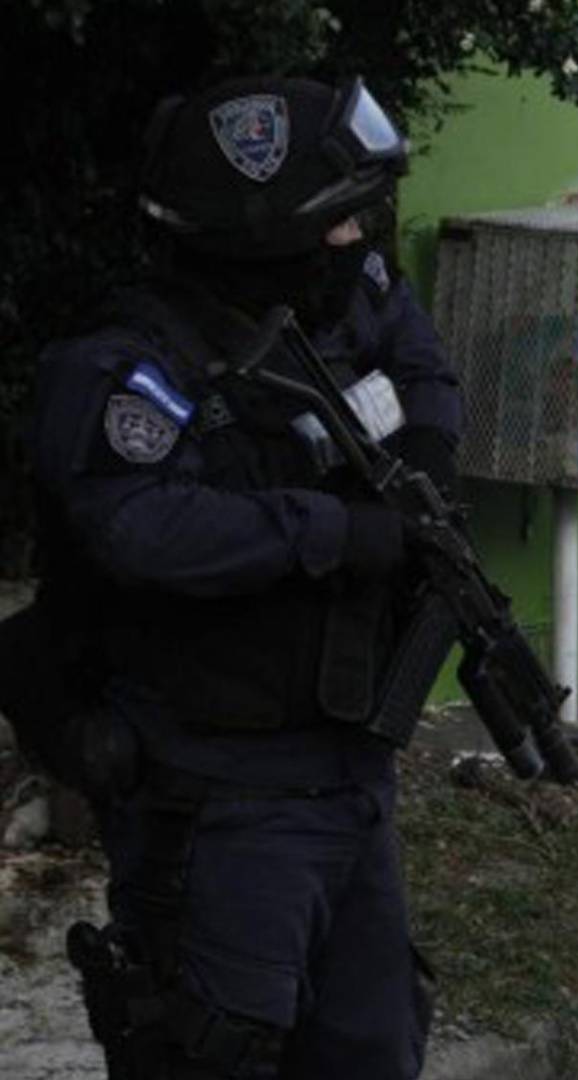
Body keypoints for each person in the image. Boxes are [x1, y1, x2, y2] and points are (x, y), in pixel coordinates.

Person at [31, 77, 452, 1076]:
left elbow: (420, 364)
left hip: (351, 777)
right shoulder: (128, 366)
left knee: (372, 1046)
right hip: (222, 800)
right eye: (342, 224)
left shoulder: (343, 306)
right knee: (215, 1049)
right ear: (270, 240)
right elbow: (142, 528)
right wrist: (335, 531)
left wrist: (426, 462)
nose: (362, 240)